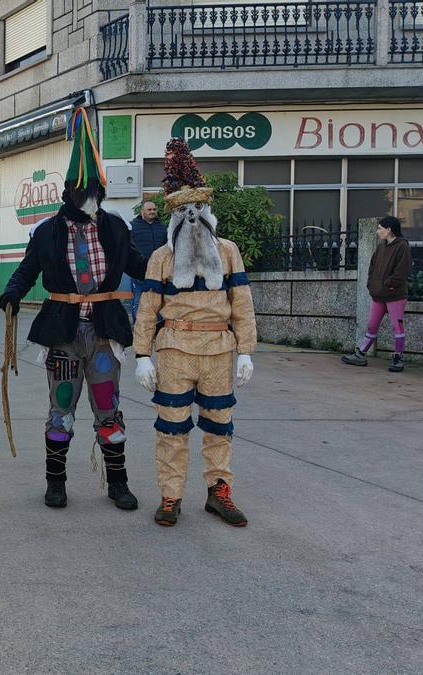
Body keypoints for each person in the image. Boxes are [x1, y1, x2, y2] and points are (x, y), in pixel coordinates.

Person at [0, 107, 147, 511]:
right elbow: (28, 269)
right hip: (63, 335)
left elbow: (138, 265)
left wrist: (170, 271)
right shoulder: (47, 231)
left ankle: (118, 483)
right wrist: (12, 293)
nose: (90, 196)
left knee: (108, 410)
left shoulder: (115, 227)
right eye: (84, 190)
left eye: (95, 189)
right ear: (68, 192)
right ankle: (56, 483)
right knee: (61, 409)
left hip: (103, 336)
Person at [133, 138, 257, 528]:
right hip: (174, 350)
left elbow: (242, 303)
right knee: (171, 428)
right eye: (183, 211)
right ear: (173, 215)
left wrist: (246, 350)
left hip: (219, 350)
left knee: (219, 426)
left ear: (208, 211)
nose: (192, 218)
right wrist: (141, 355)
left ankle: (219, 492)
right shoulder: (161, 258)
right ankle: (170, 496)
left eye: (198, 209)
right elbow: (147, 308)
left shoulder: (228, 252)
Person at [342, 216, 412, 372]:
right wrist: (371, 284)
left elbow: (403, 270)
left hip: (395, 295)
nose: (377, 231)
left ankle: (398, 358)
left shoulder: (402, 247)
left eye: (380, 228)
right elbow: (372, 267)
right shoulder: (381, 247)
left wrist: (389, 284)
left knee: (397, 326)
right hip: (378, 295)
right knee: (372, 325)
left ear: (389, 230)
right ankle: (361, 354)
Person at [129, 200, 166, 320]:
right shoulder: (132, 227)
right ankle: (138, 328)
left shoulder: (162, 227)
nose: (152, 212)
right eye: (149, 209)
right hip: (139, 272)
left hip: (159, 271)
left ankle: (157, 328)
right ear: (142, 212)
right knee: (139, 301)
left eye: (154, 209)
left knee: (159, 301)